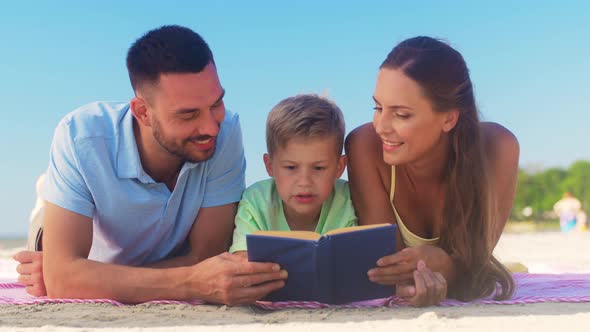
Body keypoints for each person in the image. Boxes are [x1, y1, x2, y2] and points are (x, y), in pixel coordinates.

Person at [13, 25, 287, 305]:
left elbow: (206, 257)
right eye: (188, 114)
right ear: (142, 112)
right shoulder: (79, 136)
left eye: (216, 103)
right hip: (78, 232)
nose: (210, 127)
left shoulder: (224, 130)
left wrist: (89, 278)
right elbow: (62, 280)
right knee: (46, 255)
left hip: (129, 258)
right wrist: (190, 282)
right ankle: (50, 191)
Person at [345, 36, 518, 306]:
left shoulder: (498, 149)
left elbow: (475, 264)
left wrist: (446, 268)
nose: (381, 126)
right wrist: (437, 270)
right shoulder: (364, 146)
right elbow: (387, 268)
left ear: (449, 118)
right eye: (378, 107)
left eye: (401, 114)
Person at [228, 94, 357, 255]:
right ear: (270, 166)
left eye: (318, 168)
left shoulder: (348, 200)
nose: (304, 182)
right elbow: (242, 262)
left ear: (339, 167)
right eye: (290, 167)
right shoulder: (256, 202)